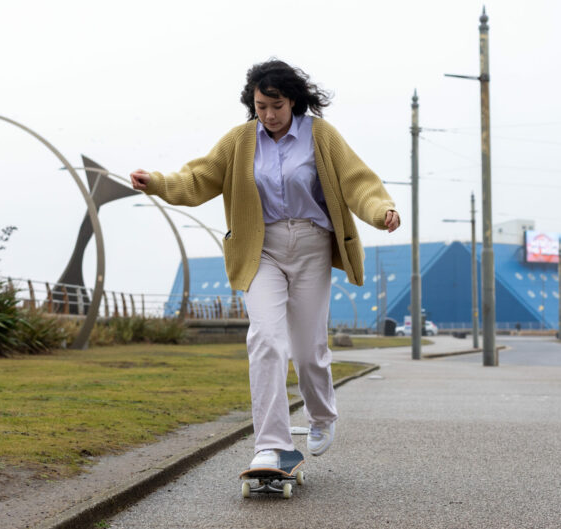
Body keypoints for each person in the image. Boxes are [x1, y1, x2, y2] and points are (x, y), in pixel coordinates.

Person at [131, 59, 399, 470]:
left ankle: (322, 416)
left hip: (311, 247)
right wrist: (159, 183)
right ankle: (270, 444)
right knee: (266, 341)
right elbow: (198, 177)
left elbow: (357, 182)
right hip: (262, 250)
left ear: (292, 100)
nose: (269, 115)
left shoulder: (320, 136)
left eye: (276, 106)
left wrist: (382, 210)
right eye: (261, 106)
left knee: (310, 350)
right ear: (252, 104)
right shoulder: (240, 141)